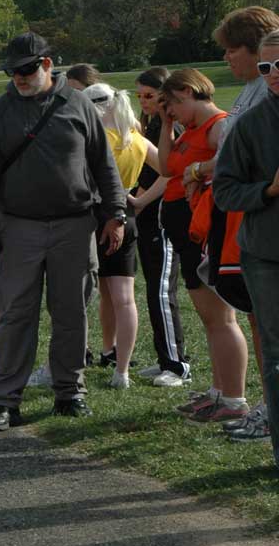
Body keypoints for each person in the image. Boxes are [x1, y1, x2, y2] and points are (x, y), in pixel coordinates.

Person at [0, 32, 126, 430]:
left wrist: (116, 214)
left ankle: (70, 392)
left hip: (75, 225)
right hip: (18, 227)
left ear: (47, 65)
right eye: (12, 72)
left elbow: (103, 164)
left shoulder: (77, 105)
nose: (19, 78)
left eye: (26, 70)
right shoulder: (2, 111)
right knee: (16, 316)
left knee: (71, 313)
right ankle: (5, 401)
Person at [201, 6, 279, 440]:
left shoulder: (262, 96)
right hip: (253, 228)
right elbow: (234, 172)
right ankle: (269, 409)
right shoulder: (252, 98)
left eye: (234, 50)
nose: (228, 58)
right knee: (263, 323)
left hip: (253, 224)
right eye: (266, 66)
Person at [157, 69, 248, 424]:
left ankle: (235, 397)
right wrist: (167, 128)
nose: (172, 112)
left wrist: (197, 172)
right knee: (209, 319)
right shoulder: (189, 130)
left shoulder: (218, 125)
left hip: (208, 228)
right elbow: (166, 167)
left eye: (172, 104)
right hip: (187, 229)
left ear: (187, 92)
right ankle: (218, 391)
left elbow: (231, 162)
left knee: (221, 317)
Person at [85, 85, 163, 388]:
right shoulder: (135, 138)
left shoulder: (95, 140)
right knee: (123, 298)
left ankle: (75, 359)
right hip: (127, 216)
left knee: (82, 295)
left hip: (96, 217)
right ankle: (122, 369)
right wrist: (141, 200)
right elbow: (170, 170)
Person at [131, 67, 191, 387]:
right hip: (147, 218)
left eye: (149, 96)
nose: (143, 102)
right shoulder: (150, 125)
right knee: (154, 290)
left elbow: (170, 176)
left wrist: (140, 201)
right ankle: (164, 358)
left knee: (161, 290)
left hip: (164, 220)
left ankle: (176, 365)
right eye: (139, 96)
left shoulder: (171, 128)